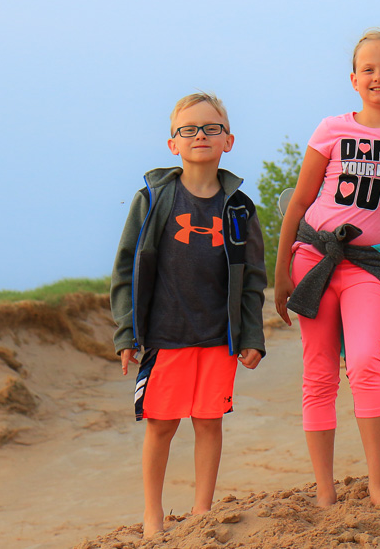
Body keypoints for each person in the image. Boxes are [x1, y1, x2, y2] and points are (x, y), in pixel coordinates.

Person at [274, 30, 380, 506]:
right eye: (368, 69)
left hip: (369, 265)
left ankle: (378, 485)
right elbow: (299, 202)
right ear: (353, 79)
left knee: (364, 362)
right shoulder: (332, 129)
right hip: (313, 258)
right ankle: (324, 491)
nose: (378, 76)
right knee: (320, 372)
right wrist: (281, 271)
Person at [110, 92, 267, 538]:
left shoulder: (239, 207)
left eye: (211, 128)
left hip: (219, 337)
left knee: (208, 423)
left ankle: (202, 511)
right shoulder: (154, 199)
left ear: (228, 141)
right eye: (189, 129)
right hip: (167, 334)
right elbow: (127, 266)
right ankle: (153, 515)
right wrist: (127, 333)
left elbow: (254, 277)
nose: (201, 135)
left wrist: (251, 335)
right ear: (172, 143)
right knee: (161, 427)